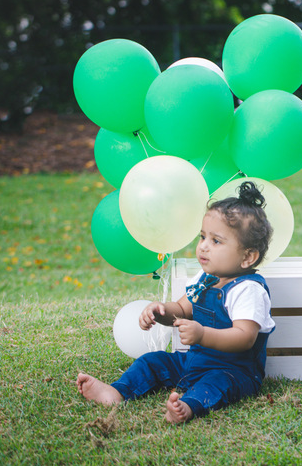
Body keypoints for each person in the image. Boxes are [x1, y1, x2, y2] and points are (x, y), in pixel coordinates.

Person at [76, 181, 276, 423]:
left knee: (215, 385)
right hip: (194, 362)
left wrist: (202, 335)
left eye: (216, 241)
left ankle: (187, 408)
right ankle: (117, 391)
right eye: (203, 237)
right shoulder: (206, 279)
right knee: (153, 361)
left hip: (234, 372)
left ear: (248, 257)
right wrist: (161, 312)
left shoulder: (248, 290)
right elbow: (182, 309)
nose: (203, 246)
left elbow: (245, 337)